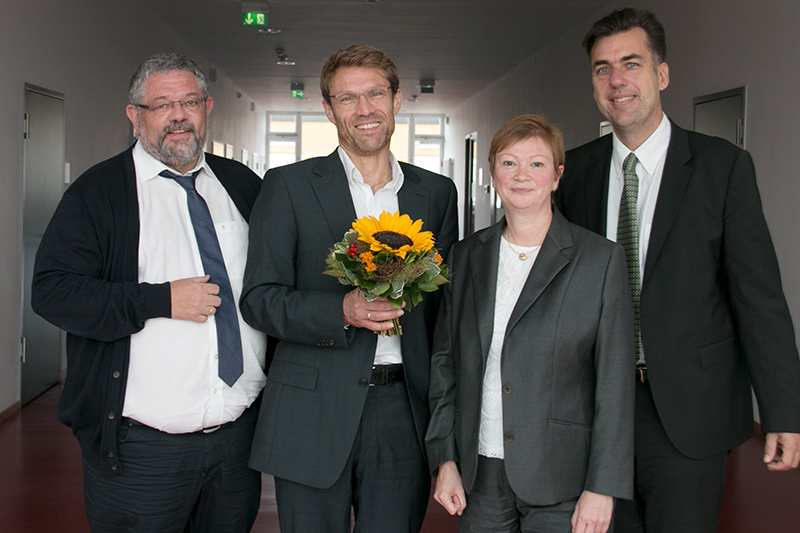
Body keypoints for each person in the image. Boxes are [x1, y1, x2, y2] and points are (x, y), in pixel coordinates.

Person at [554, 8, 800, 532]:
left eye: (631, 63)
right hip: (596, 409)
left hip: (690, 411)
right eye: (602, 68)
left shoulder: (723, 167)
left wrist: (782, 409)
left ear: (661, 75)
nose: (616, 80)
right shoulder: (572, 173)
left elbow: (758, 296)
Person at [31, 53, 267, 532]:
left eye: (189, 102)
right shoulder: (97, 194)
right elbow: (52, 292)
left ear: (207, 107)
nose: (178, 116)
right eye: (162, 105)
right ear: (134, 116)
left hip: (238, 442)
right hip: (141, 451)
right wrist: (158, 300)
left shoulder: (242, 186)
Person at [239, 44, 458, 532]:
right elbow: (258, 299)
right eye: (347, 98)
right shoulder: (288, 186)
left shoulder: (437, 194)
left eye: (375, 93)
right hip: (310, 409)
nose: (364, 110)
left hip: (403, 412)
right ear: (328, 109)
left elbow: (444, 314)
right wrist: (342, 309)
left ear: (398, 99)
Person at [426, 114, 635, 533]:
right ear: (493, 174)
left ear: (557, 176)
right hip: (479, 472)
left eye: (537, 164)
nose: (522, 175)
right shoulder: (466, 256)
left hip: (564, 476)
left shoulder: (600, 259)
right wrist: (445, 458)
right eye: (509, 163)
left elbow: (614, 382)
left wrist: (603, 486)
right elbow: (446, 363)